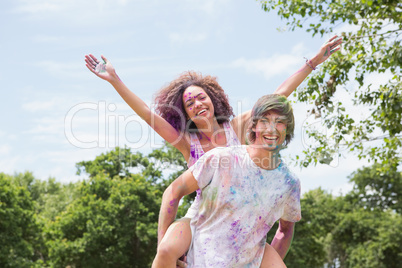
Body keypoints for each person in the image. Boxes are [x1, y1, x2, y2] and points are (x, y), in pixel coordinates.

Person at [84, 35, 341, 266]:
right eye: (189, 103)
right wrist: (115, 80)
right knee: (167, 250)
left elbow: (277, 96)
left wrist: (313, 62)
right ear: (185, 113)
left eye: (201, 97)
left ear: (212, 99)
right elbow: (146, 114)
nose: (197, 104)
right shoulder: (187, 143)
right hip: (203, 216)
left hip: (242, 220)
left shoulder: (237, 128)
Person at [154, 94, 300, 267]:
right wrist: (162, 246)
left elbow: (285, 231)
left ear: (288, 128)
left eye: (279, 122)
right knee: (165, 252)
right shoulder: (222, 158)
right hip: (198, 238)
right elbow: (173, 191)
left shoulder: (289, 183)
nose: (271, 129)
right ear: (253, 126)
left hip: (243, 255)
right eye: (264, 121)